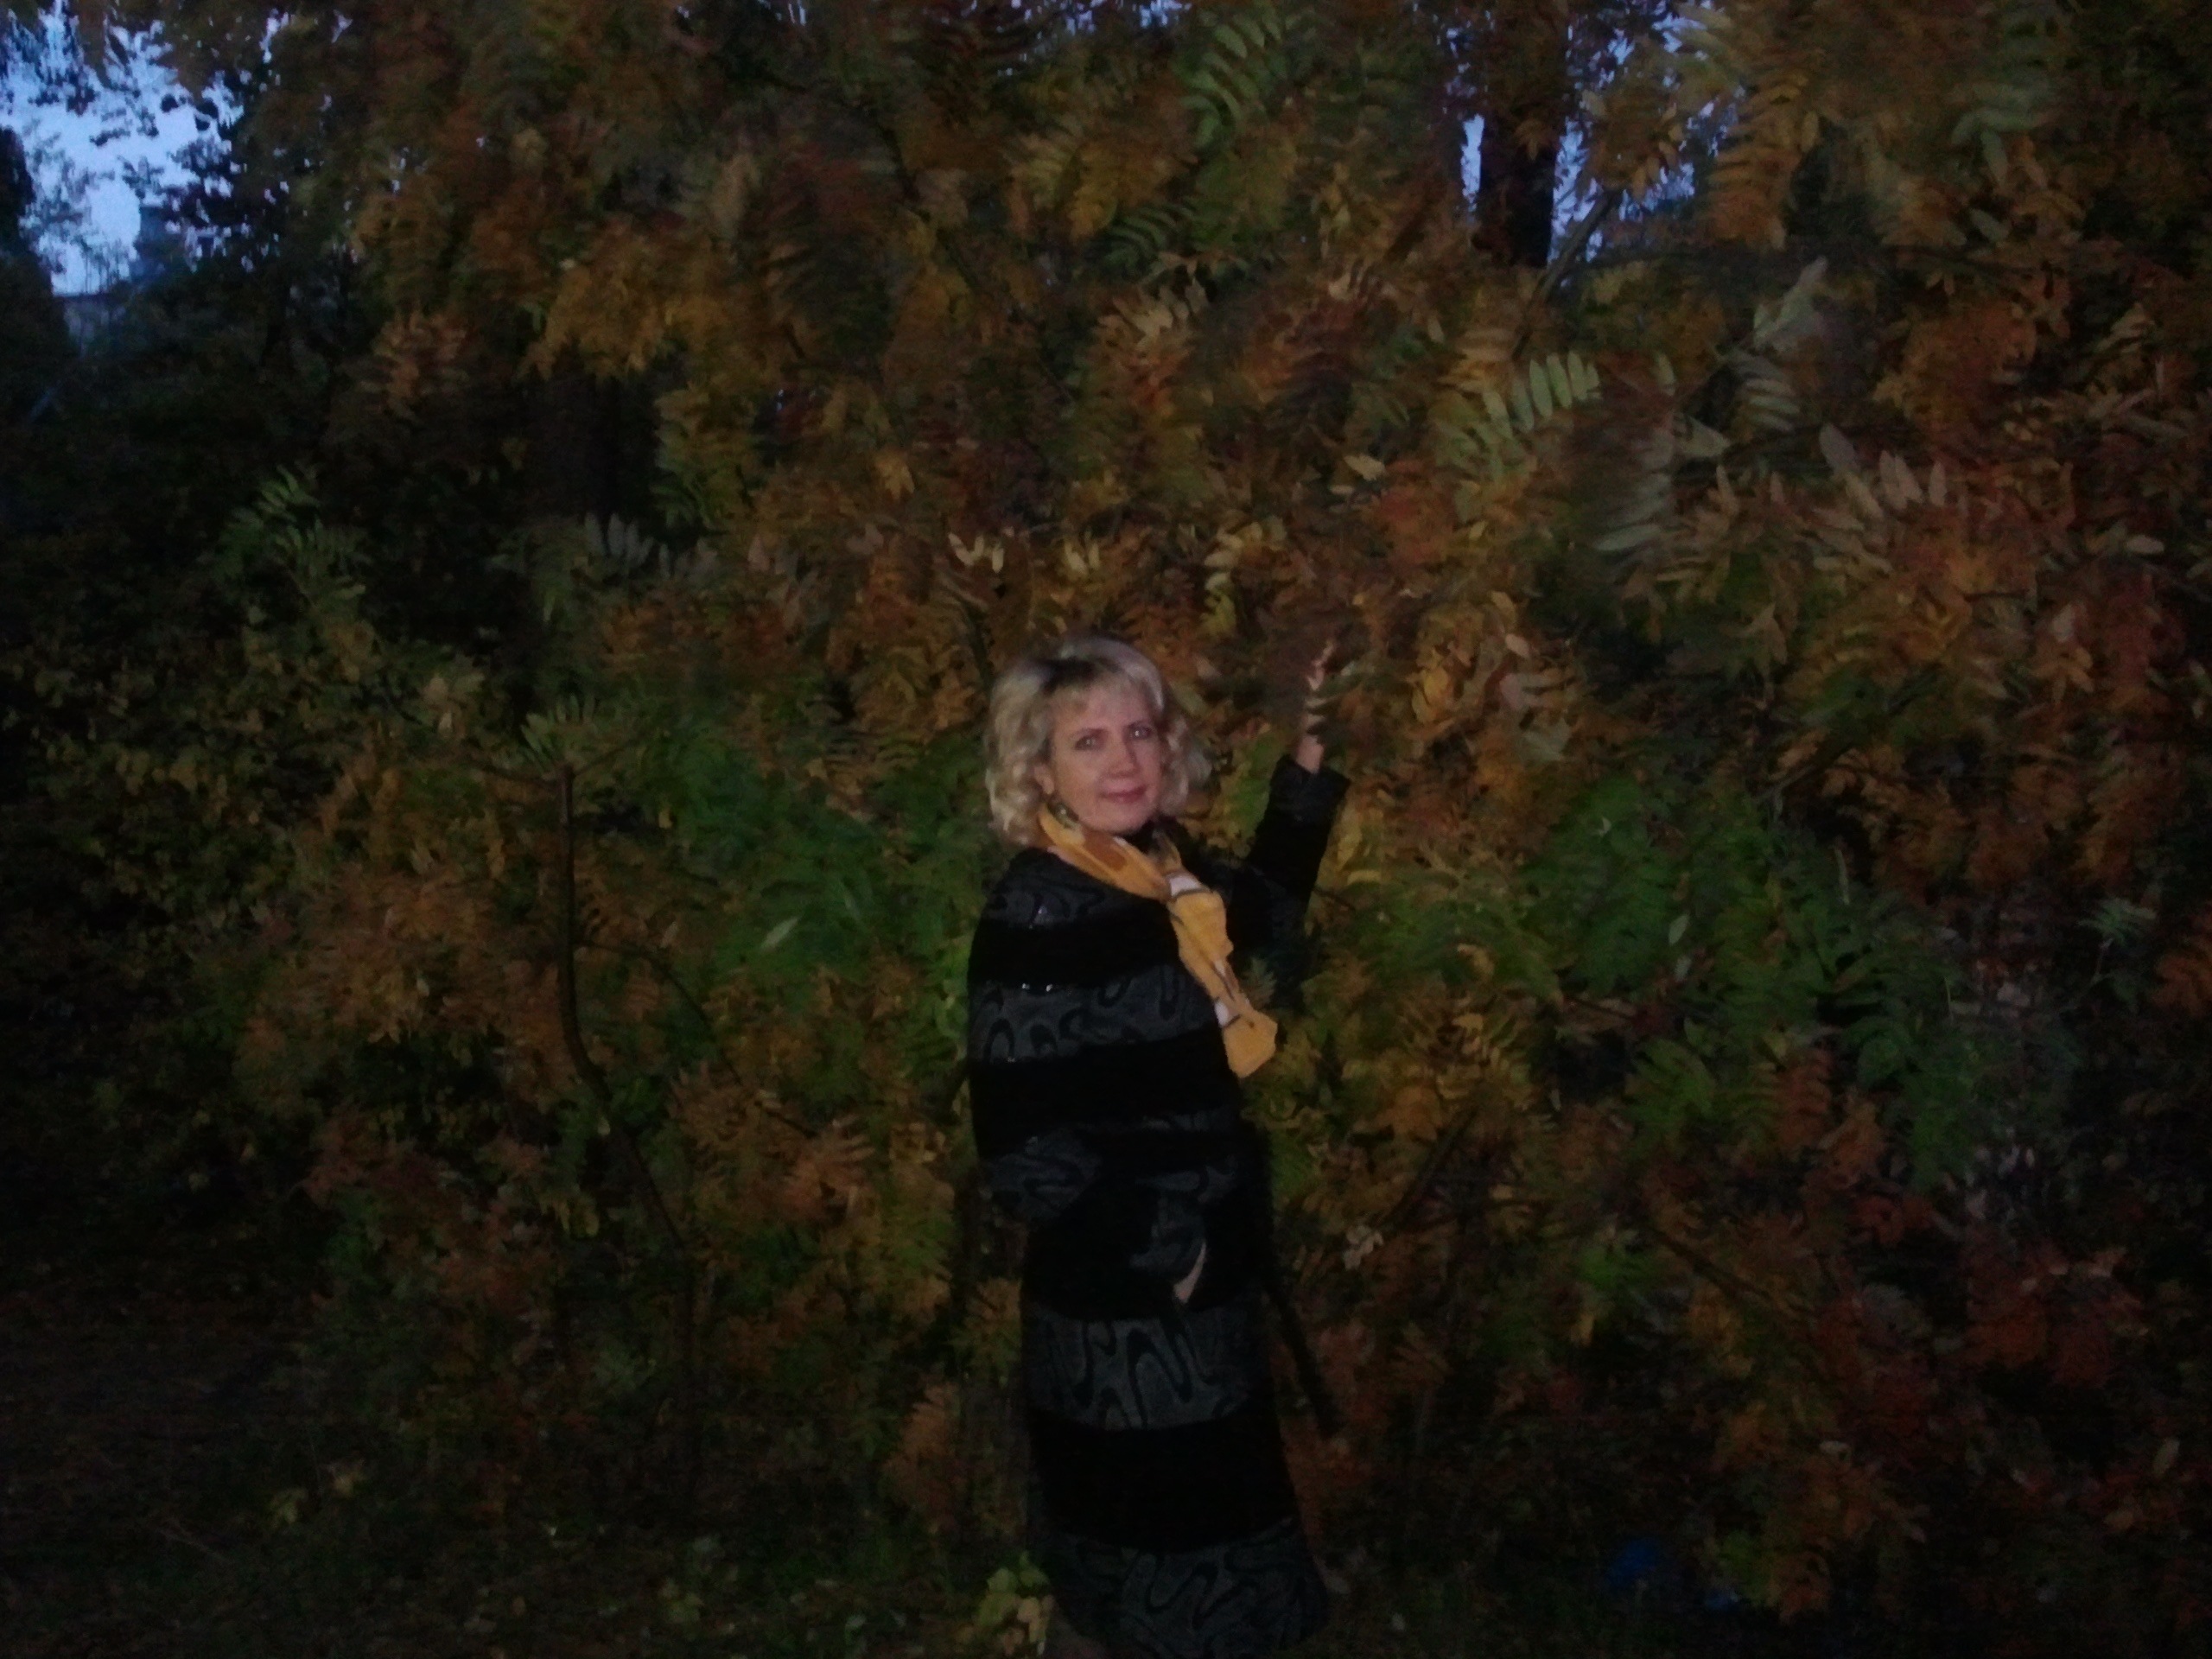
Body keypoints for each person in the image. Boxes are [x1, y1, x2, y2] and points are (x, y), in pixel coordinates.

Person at [967, 634, 1347, 1659]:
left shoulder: (1157, 875)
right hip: (1124, 1302)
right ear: (1040, 770)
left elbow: (1266, 907)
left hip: (1199, 1276)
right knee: (1158, 1571)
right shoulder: (1041, 909)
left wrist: (1312, 747)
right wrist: (1168, 1250)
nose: (1123, 760)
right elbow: (1023, 1152)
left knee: (1204, 1550)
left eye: (1137, 732)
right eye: (1087, 741)